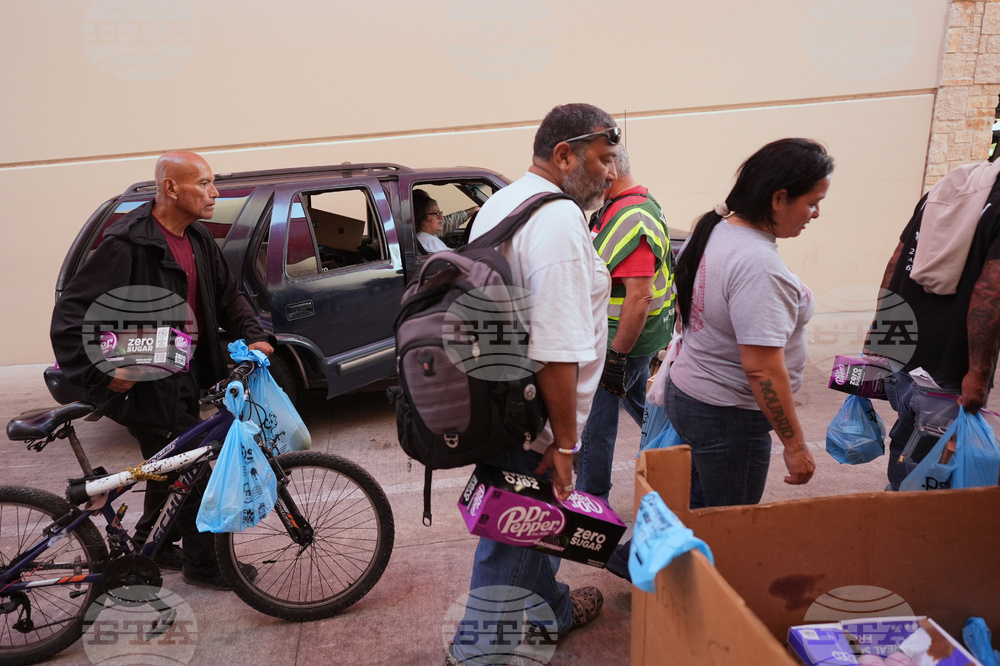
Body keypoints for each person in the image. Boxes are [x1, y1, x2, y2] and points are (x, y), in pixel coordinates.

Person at [50, 150, 274, 590]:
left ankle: (150, 542)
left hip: (185, 371)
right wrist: (103, 373)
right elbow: (69, 317)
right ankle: (204, 565)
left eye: (213, 183)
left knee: (168, 464)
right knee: (191, 470)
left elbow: (229, 294)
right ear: (171, 188)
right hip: (147, 380)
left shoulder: (197, 238)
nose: (215, 193)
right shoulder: (128, 243)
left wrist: (254, 334)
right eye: (204, 184)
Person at [446, 103, 618, 665]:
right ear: (565, 154)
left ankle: (556, 611)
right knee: (512, 539)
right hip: (538, 420)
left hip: (502, 399)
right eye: (603, 157)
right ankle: (473, 657)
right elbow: (554, 350)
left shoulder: (504, 200)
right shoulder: (559, 219)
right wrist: (563, 444)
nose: (611, 172)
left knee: (536, 525)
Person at [666, 138, 830, 509]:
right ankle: (650, 560)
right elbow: (761, 370)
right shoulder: (758, 265)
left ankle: (647, 560)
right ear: (778, 198)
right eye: (812, 203)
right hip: (728, 415)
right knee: (730, 526)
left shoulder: (713, 229)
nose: (815, 214)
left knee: (698, 507)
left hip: (694, 393)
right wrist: (796, 446)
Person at [869, 160, 1000, 490]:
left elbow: (897, 260)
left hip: (904, 348)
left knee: (908, 447)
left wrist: (881, 327)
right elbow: (991, 289)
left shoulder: (950, 187)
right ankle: (911, 532)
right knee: (931, 467)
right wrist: (979, 373)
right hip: (947, 366)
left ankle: (898, 518)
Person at [576, 145, 674, 502]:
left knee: (595, 426)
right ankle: (677, 456)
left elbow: (640, 297)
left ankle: (590, 501)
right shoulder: (623, 208)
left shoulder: (632, 216)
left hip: (621, 343)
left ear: (610, 171)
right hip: (625, 341)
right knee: (643, 404)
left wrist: (616, 357)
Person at [413, 188, 477, 253]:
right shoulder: (429, 242)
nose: (441, 217)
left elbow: (448, 222)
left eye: (439, 213)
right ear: (421, 217)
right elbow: (454, 259)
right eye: (436, 213)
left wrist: (474, 210)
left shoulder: (423, 237)